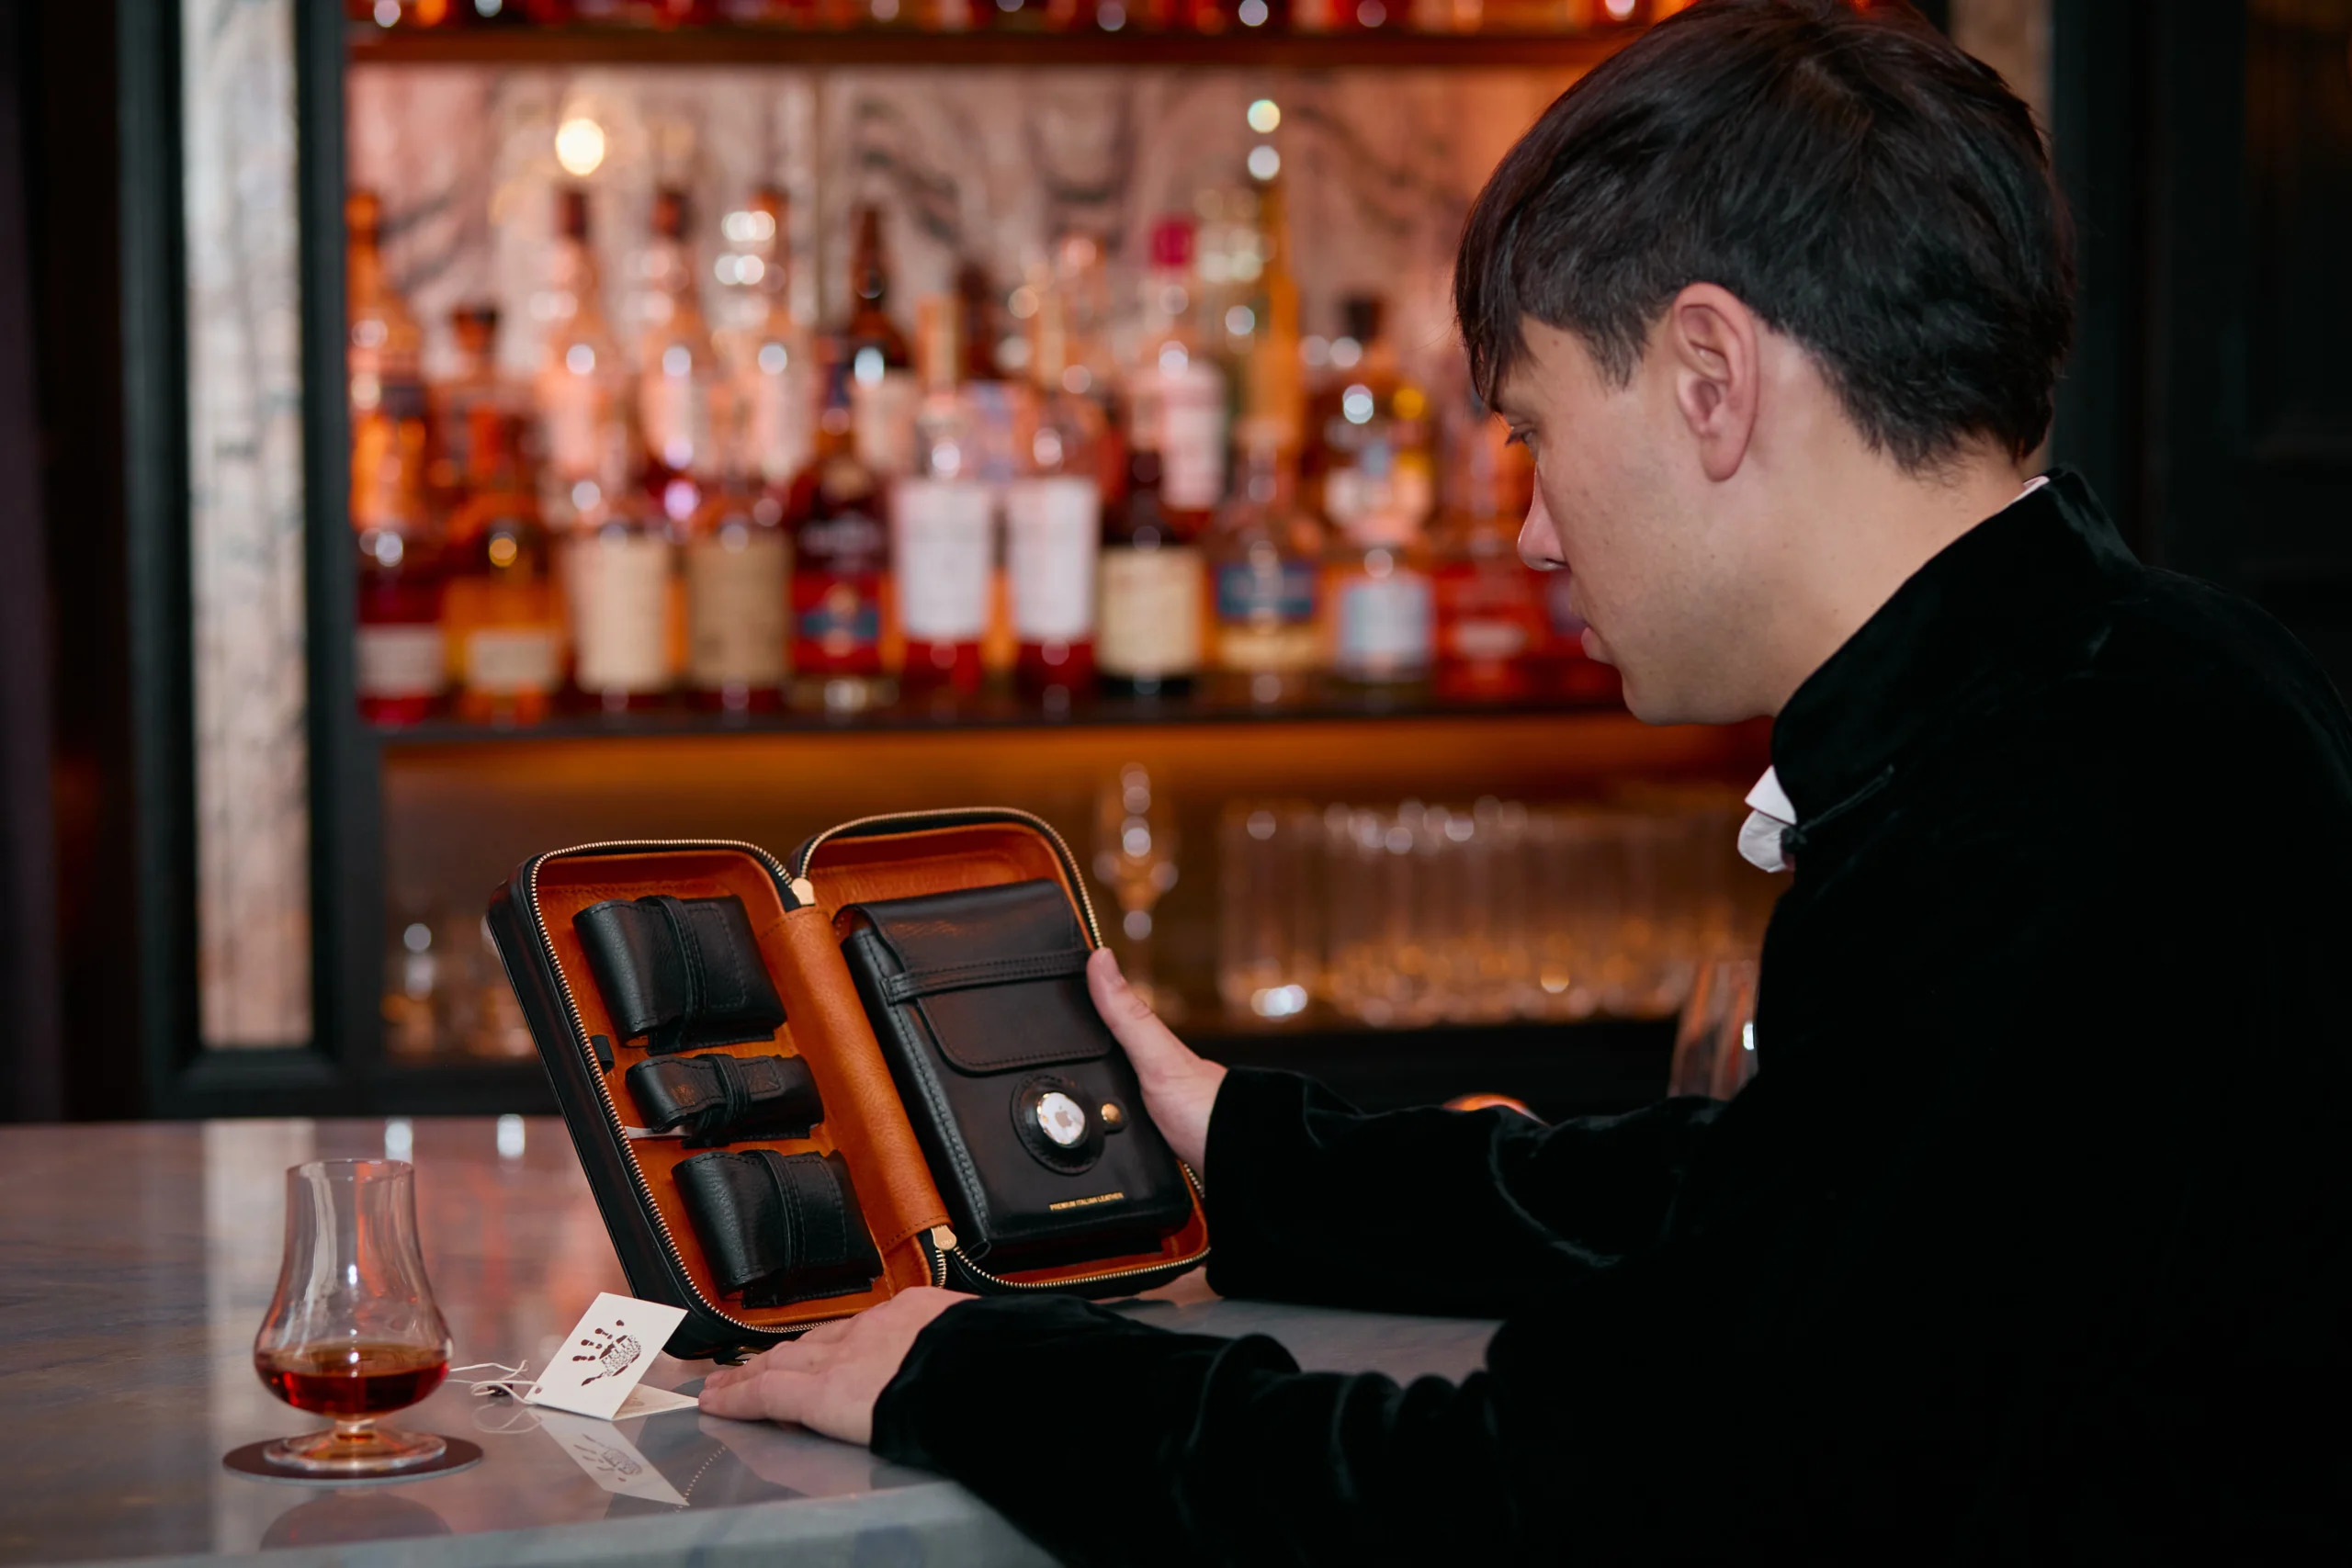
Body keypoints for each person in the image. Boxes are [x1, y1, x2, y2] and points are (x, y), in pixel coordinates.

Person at [700, 1, 2352, 1558]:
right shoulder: (2175, 681)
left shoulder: (2028, 822)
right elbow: (1775, 1202)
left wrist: (975, 1373)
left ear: (1711, 379)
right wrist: (1258, 1150)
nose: (1533, 529)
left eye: (1534, 430)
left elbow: (1570, 1507)